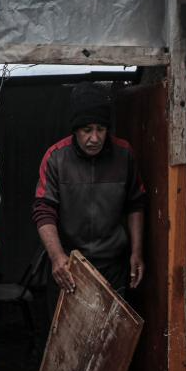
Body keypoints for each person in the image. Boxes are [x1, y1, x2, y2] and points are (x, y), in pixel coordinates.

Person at [32, 83, 146, 301]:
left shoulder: (124, 155)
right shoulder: (56, 158)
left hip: (113, 264)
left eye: (101, 129)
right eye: (87, 130)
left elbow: (136, 204)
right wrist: (56, 257)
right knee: (67, 333)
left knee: (111, 333)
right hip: (69, 265)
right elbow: (44, 209)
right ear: (75, 130)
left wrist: (137, 252)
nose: (95, 138)